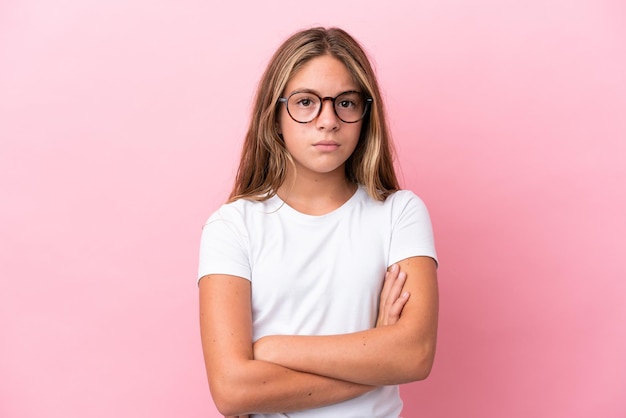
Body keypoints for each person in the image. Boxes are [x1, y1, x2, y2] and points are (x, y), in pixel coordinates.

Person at [197, 26, 438, 418]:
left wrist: (273, 349)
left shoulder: (400, 214)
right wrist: (377, 353)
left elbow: (415, 355)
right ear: (275, 116)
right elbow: (232, 391)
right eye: (306, 102)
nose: (328, 121)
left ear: (365, 114)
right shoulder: (232, 227)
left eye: (345, 103)